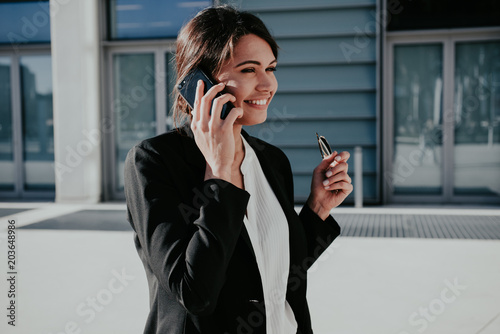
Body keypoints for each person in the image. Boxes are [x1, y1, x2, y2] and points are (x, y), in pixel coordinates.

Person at [124, 5, 353, 334]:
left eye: (271, 68)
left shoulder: (272, 160)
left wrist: (318, 208)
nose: (267, 84)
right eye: (249, 70)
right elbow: (194, 292)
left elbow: (277, 273)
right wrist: (220, 175)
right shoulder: (154, 160)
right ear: (200, 82)